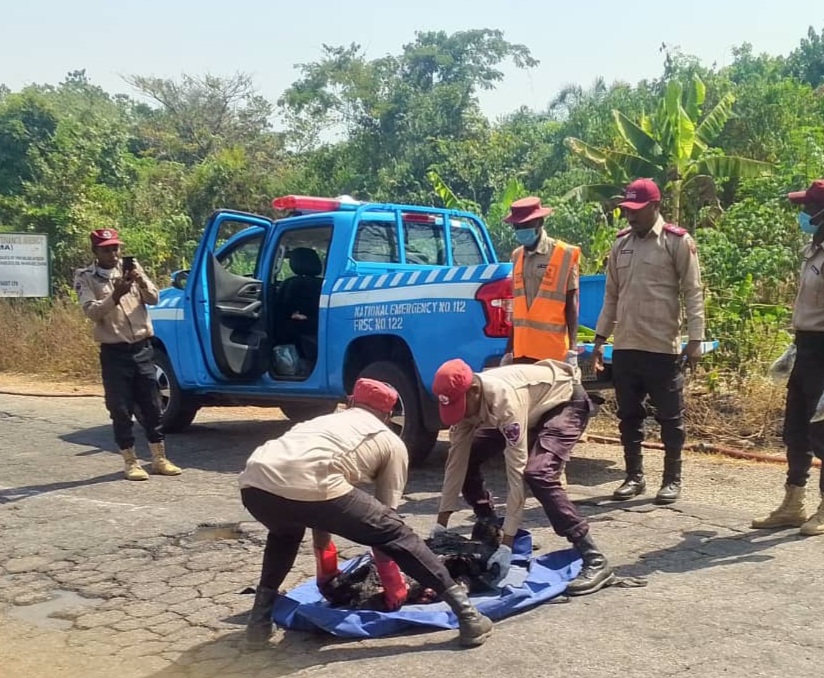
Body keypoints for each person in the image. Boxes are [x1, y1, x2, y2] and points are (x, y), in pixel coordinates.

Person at [238, 378, 493, 648]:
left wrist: (326, 573)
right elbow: (385, 530)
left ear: (350, 402)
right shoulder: (390, 442)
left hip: (255, 483)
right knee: (397, 532)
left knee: (285, 533)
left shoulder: (320, 423)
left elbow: (313, 505)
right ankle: (469, 616)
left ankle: (258, 624)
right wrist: (392, 582)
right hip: (312, 483)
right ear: (388, 414)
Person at [431, 358, 614, 597]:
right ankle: (490, 527)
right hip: (532, 406)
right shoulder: (467, 402)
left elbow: (516, 474)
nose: (460, 413)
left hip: (564, 403)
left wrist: (509, 544)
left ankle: (594, 558)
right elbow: (456, 463)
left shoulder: (505, 401)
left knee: (538, 473)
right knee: (468, 458)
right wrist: (440, 525)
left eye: (460, 406)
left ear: (474, 390)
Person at [591, 179, 705, 504]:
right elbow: (611, 296)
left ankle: (672, 480)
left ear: (656, 206)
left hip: (661, 348)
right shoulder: (620, 245)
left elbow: (693, 291)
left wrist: (696, 338)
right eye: (627, 210)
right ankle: (634, 477)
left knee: (670, 418)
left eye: (637, 211)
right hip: (626, 346)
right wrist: (600, 340)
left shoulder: (676, 242)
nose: (630, 217)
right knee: (628, 416)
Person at [752, 179, 824, 536]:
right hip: (806, 349)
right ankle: (793, 504)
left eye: (808, 209)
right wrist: (795, 348)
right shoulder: (815, 249)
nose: (803, 214)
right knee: (794, 431)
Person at [74, 228, 181, 481]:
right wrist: (116, 295)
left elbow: (154, 298)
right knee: (120, 409)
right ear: (95, 252)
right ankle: (130, 461)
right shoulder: (85, 277)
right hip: (115, 352)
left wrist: (139, 280)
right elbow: (91, 312)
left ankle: (159, 458)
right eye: (106, 249)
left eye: (116, 248)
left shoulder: (132, 269)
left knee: (153, 406)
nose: (113, 253)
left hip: (143, 348)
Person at [501, 197, 580, 368]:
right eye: (516, 227)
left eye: (525, 225)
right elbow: (518, 309)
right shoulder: (517, 256)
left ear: (539, 222)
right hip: (522, 352)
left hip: (552, 352)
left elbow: (571, 303)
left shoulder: (562, 254)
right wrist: (509, 350)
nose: (520, 230)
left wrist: (573, 348)